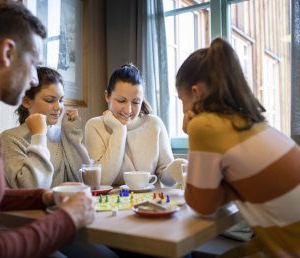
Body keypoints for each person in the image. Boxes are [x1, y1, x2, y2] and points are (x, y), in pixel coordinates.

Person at [0, 1, 107, 257]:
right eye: (32, 61)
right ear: (7, 53)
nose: (34, 80)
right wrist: (68, 220)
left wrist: (43, 197)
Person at [176, 37, 300, 257]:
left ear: (196, 94)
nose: (183, 108)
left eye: (181, 100)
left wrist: (191, 132)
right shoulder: (250, 122)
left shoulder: (205, 126)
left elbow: (203, 205)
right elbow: (218, 196)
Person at [85, 64, 185, 187]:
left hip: (149, 203)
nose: (128, 110)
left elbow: (167, 180)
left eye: (136, 102)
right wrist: (119, 130)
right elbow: (103, 181)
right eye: (121, 101)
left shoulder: (154, 124)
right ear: (107, 96)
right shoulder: (94, 126)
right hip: (111, 204)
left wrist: (179, 166)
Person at [0, 66, 90, 189]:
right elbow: (31, 188)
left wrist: (71, 134)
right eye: (50, 100)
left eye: (61, 100)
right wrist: (39, 136)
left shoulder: (60, 134)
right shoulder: (9, 139)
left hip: (63, 206)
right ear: (26, 102)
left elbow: (84, 179)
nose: (58, 107)